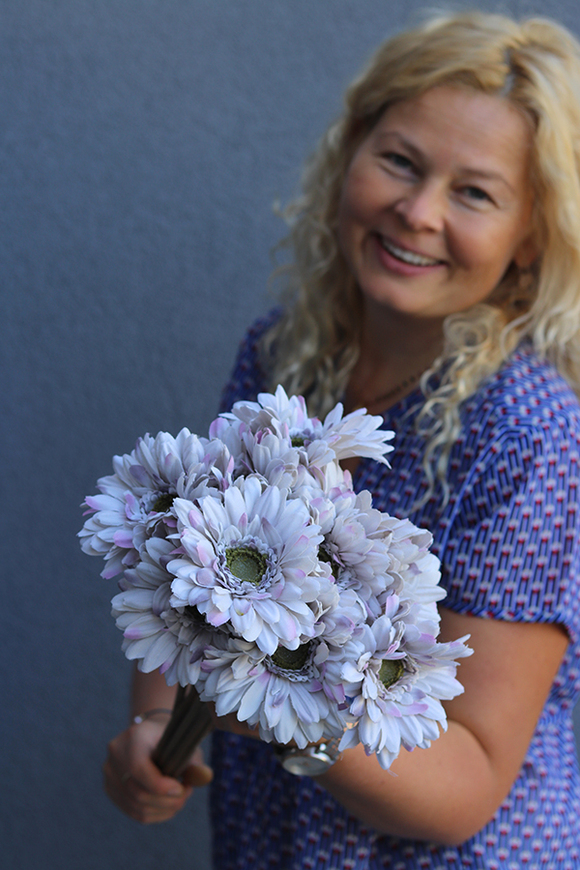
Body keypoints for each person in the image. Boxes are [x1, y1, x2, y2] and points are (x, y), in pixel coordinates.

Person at [104, 10, 580, 868]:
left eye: (474, 192)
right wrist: (151, 723)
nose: (418, 211)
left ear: (530, 239)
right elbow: (181, 568)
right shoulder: (280, 353)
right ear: (349, 153)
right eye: (400, 161)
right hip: (270, 842)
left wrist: (274, 697)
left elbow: (467, 784)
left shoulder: (529, 430)